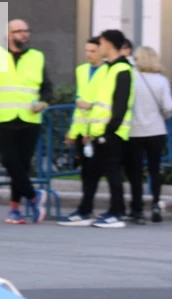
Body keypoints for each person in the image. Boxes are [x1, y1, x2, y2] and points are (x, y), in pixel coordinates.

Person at [58, 29, 136, 228]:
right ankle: (85, 210)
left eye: (100, 44)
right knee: (91, 173)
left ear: (108, 45)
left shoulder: (122, 70)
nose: (97, 48)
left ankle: (117, 212)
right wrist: (90, 132)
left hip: (111, 134)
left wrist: (108, 132)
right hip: (98, 133)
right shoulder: (110, 69)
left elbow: (120, 106)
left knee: (112, 173)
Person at [0, 19, 51, 225]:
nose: (24, 34)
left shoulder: (37, 57)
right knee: (9, 161)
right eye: (19, 31)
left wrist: (43, 102)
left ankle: (14, 209)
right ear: (8, 34)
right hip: (4, 118)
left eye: (27, 30)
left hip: (30, 118)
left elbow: (47, 88)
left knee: (22, 166)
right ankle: (34, 196)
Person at [126, 45, 172, 224]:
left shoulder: (132, 79)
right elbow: (168, 107)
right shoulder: (161, 81)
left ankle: (137, 209)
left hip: (134, 131)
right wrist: (162, 115)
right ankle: (155, 204)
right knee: (154, 170)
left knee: (136, 172)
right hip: (156, 130)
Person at [64, 37, 106, 220]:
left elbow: (102, 103)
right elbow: (79, 105)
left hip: (97, 129)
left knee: (93, 172)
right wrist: (73, 132)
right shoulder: (81, 70)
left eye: (93, 51)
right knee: (85, 172)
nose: (88, 54)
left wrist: (91, 130)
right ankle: (86, 207)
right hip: (81, 129)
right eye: (87, 50)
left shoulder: (107, 71)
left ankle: (85, 208)